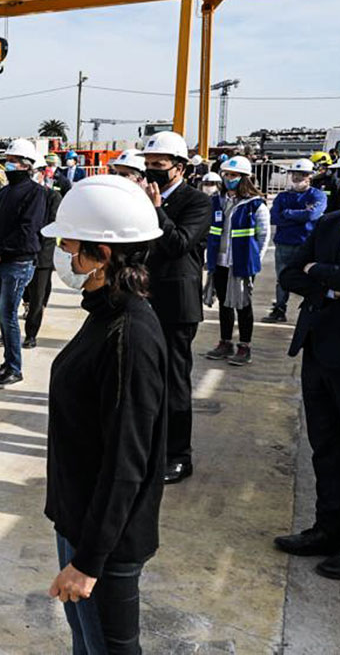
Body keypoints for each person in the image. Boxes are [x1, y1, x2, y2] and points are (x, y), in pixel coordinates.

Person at [41, 175, 168, 653]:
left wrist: (88, 561)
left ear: (104, 254)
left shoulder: (129, 335)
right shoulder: (106, 313)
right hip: (79, 523)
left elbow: (126, 463)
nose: (63, 257)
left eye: (70, 246)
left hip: (103, 544)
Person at [276, 126, 340, 581]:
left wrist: (332, 277)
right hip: (319, 345)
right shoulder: (335, 219)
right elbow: (294, 273)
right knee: (327, 447)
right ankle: (328, 528)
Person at [140, 131, 212, 485]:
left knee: (174, 382)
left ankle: (178, 455)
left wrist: (155, 210)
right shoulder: (141, 198)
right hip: (144, 299)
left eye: (159, 165)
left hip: (176, 306)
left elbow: (178, 243)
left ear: (179, 168)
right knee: (147, 380)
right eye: (148, 164)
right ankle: (152, 447)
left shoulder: (197, 202)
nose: (152, 171)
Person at [0, 138, 46, 387]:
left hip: (17, 263)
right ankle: (7, 363)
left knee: (8, 314)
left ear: (27, 165)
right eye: (8, 161)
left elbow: (27, 231)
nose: (9, 165)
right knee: (2, 314)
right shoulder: (4, 192)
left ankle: (15, 367)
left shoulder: (35, 193)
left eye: (14, 162)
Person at [204, 156, 271, 367]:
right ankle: (225, 343)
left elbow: (263, 236)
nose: (228, 178)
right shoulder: (217, 201)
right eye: (226, 175)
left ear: (244, 178)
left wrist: (254, 262)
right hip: (220, 262)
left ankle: (244, 346)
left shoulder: (255, 205)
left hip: (241, 264)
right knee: (224, 304)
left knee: (243, 306)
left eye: (233, 175)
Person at [264, 158, 326, 323]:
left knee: (310, 277)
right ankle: (279, 309)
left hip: (306, 244)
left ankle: (312, 309)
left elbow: (312, 215)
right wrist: (299, 215)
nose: (298, 177)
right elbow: (274, 217)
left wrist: (288, 213)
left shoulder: (317, 195)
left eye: (302, 174)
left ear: (310, 177)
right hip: (284, 243)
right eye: (295, 174)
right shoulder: (282, 197)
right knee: (282, 278)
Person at [23, 164, 64, 349]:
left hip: (42, 255)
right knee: (18, 297)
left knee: (37, 298)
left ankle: (31, 334)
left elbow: (53, 225)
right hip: (21, 254)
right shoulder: (23, 196)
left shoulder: (52, 196)